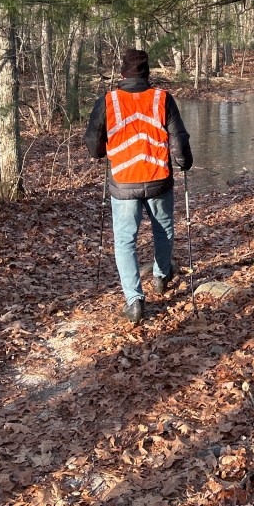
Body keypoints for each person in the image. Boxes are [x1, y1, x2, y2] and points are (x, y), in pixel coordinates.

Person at [85, 49, 193, 325]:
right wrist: (184, 161)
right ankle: (160, 276)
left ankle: (134, 300)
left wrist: (102, 151)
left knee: (125, 240)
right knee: (163, 230)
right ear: (147, 72)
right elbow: (178, 138)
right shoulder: (162, 98)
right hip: (158, 178)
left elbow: (93, 145)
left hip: (123, 181)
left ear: (123, 73)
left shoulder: (108, 101)